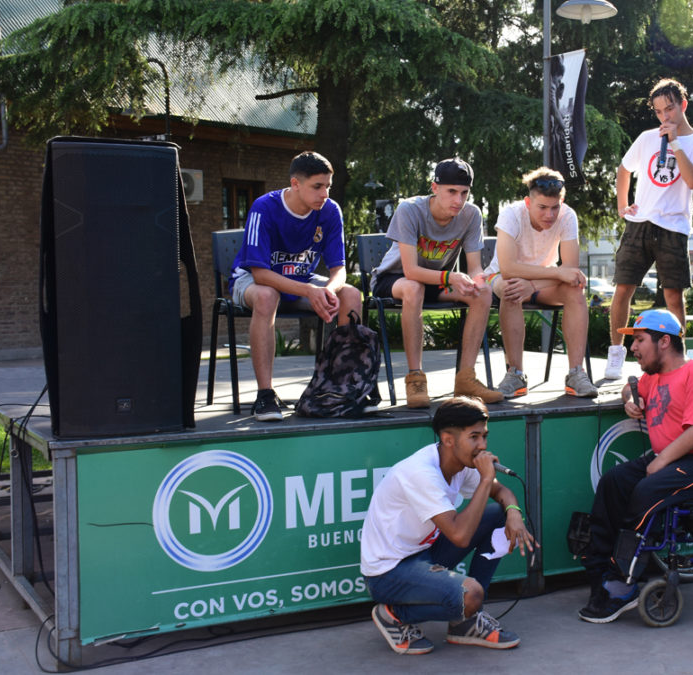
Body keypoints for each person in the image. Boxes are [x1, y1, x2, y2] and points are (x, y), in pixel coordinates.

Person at [578, 309, 693, 623]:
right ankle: (599, 570)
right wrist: (631, 398)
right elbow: (633, 387)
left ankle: (622, 583)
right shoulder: (654, 375)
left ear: (664, 341)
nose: (633, 348)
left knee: (646, 490)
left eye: (639, 340)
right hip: (677, 458)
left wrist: (662, 460)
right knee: (613, 481)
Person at [361, 396, 535, 655]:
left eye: (484, 436)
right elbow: (460, 536)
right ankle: (394, 614)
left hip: (423, 553)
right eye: (474, 437)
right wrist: (486, 479)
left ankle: (465, 622)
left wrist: (514, 513)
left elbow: (503, 494)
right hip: (389, 572)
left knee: (499, 514)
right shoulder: (421, 473)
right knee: (471, 595)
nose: (483, 446)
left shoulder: (460, 464)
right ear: (448, 439)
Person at [229, 151, 362, 422]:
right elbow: (260, 273)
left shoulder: (330, 211)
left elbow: (339, 270)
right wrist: (310, 291)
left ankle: (344, 388)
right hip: (252, 280)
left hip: (301, 282)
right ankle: (265, 395)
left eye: (328, 186)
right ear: (295, 184)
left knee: (351, 294)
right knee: (267, 296)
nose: (324, 193)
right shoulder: (264, 207)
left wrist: (329, 289)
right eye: (317, 186)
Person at [371, 158, 503, 408]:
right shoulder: (409, 209)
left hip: (438, 281)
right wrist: (450, 277)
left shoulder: (471, 214)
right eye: (451, 191)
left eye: (464, 193)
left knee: (483, 293)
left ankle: (466, 378)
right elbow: (410, 270)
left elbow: (474, 266)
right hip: (395, 279)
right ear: (434, 188)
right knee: (414, 287)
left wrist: (477, 280)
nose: (458, 200)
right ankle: (415, 379)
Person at [606, 78, 693, 380]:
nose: (664, 117)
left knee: (673, 296)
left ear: (683, 104)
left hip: (673, 227)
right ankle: (616, 352)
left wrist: (676, 142)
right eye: (658, 112)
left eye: (669, 109)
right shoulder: (646, 138)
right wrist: (622, 205)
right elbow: (625, 168)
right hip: (640, 223)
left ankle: (679, 359)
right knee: (623, 288)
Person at [483, 167, 597, 399]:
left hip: (541, 283)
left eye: (555, 207)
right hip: (501, 278)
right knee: (511, 289)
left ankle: (576, 374)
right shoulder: (511, 214)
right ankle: (515, 374)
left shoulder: (568, 216)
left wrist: (533, 285)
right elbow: (508, 268)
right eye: (542, 208)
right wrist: (540, 279)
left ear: (561, 202)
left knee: (575, 289)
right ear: (528, 202)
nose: (549, 215)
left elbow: (571, 272)